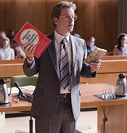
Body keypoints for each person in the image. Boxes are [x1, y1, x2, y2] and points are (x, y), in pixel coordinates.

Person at [22, 1, 101, 133]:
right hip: (47, 104)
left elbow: (82, 70)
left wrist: (92, 68)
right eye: (67, 16)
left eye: (73, 16)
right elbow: (30, 72)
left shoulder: (80, 43)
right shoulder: (43, 43)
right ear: (56, 20)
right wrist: (30, 58)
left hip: (71, 104)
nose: (72, 20)